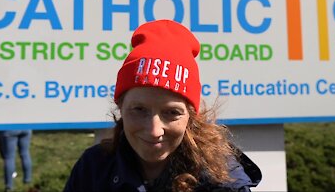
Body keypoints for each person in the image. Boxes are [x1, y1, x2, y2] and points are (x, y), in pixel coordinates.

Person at [64, 20, 261, 192]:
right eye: (139, 109)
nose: (154, 131)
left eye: (172, 113)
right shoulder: (93, 169)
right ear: (120, 106)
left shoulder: (223, 182)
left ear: (191, 116)